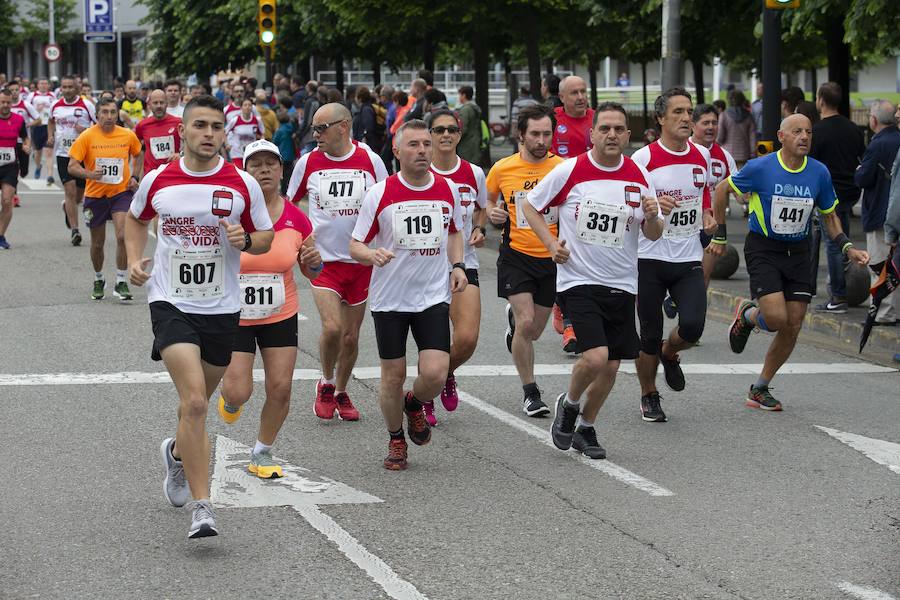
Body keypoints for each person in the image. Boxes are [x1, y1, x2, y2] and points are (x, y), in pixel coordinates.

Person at [126, 95, 274, 539]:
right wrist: (135, 258)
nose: (209, 134)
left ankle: (175, 452)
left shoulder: (241, 183)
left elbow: (265, 236)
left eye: (216, 127)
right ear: (183, 131)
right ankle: (203, 506)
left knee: (198, 403)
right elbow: (136, 219)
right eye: (200, 126)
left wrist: (246, 239)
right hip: (170, 301)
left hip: (222, 305)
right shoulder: (159, 179)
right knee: (193, 402)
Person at [525, 102, 664, 459]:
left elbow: (653, 233)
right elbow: (530, 205)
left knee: (613, 366)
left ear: (628, 135)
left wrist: (652, 217)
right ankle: (569, 404)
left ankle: (586, 427)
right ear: (593, 133)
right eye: (605, 128)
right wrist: (550, 242)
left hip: (623, 282)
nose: (612, 135)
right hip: (579, 280)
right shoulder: (571, 170)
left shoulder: (637, 175)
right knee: (597, 357)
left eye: (619, 129)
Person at [712, 114, 868, 410]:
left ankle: (760, 387)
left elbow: (829, 216)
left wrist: (848, 247)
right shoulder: (762, 167)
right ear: (781, 136)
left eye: (808, 132)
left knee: (793, 324)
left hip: (798, 251)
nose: (804, 137)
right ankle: (747, 316)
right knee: (775, 319)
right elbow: (722, 190)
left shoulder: (819, 173)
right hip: (764, 248)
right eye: (797, 131)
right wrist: (720, 235)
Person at [349, 119, 466, 470]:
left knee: (435, 372)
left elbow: (455, 232)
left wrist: (457, 265)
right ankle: (396, 438)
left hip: (431, 296)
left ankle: (414, 403)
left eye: (426, 145)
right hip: (390, 300)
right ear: (397, 151)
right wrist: (372, 255)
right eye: (413, 145)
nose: (422, 151)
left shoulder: (447, 189)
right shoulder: (381, 193)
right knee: (392, 375)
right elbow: (355, 244)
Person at [218, 140, 322, 478]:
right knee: (238, 392)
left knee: (281, 388)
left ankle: (262, 452)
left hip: (280, 312)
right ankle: (231, 400)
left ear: (281, 170)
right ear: (244, 172)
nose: (264, 170)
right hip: (235, 314)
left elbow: (311, 271)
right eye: (256, 165)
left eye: (271, 164)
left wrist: (314, 262)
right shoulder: (232, 214)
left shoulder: (297, 219)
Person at [287, 102, 388, 421]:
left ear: (343, 126)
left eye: (321, 128)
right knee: (332, 328)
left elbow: (388, 202)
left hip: (360, 263)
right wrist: (300, 242)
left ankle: (342, 391)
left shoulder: (370, 160)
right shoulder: (308, 162)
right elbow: (288, 206)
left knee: (350, 336)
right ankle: (326, 382)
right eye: (313, 129)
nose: (315, 135)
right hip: (324, 263)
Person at [631, 88, 717, 423]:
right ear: (661, 118)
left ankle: (671, 352)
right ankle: (649, 394)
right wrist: (650, 208)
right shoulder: (644, 159)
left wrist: (708, 215)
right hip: (650, 257)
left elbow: (705, 191)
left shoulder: (701, 155)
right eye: (678, 112)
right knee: (649, 334)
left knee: (693, 326)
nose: (686, 118)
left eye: (689, 112)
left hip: (688, 255)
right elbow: (630, 205)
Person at [486, 104, 563, 417]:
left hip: (552, 258)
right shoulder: (503, 168)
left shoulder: (563, 168)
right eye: (535, 134)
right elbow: (488, 200)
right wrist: (492, 214)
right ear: (521, 135)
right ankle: (530, 392)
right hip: (516, 255)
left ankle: (515, 326)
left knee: (533, 331)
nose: (542, 140)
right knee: (527, 321)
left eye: (547, 133)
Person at [427, 109, 487, 425]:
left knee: (466, 339)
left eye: (451, 130)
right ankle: (425, 393)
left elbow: (481, 209)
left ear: (460, 134)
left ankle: (446, 372)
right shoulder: (419, 172)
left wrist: (480, 228)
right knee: (430, 344)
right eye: (439, 130)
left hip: (464, 263)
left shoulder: (474, 173)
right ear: (429, 136)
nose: (446, 135)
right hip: (425, 269)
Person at [67, 97, 142, 301]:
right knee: (97, 243)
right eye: (104, 112)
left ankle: (121, 281)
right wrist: (89, 174)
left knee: (121, 235)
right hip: (95, 195)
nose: (109, 117)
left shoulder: (127, 135)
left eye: (112, 112)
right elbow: (71, 166)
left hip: (121, 193)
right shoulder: (87, 136)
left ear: (117, 114)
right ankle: (99, 278)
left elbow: (138, 153)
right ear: (97, 114)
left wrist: (135, 176)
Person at [810, 82, 865, 313]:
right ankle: (843, 288)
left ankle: (839, 296)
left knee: (834, 245)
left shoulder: (818, 130)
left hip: (829, 194)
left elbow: (810, 164)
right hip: (850, 191)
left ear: (821, 100)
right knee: (843, 242)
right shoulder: (853, 128)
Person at [551, 75, 596, 351]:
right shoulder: (552, 121)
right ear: (562, 98)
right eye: (574, 93)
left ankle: (572, 319)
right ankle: (568, 320)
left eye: (583, 91)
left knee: (583, 260)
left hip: (592, 201)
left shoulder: (598, 119)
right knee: (564, 257)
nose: (580, 97)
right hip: (560, 200)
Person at [855, 100, 899, 325]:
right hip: (894, 211)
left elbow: (863, 178)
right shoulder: (898, 139)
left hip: (881, 212)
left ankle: (884, 313)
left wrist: (859, 170)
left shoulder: (878, 143)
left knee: (880, 265)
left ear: (873, 120)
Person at [690, 103, 738, 287]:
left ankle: (693, 314)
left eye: (714, 123)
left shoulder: (725, 156)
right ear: (693, 126)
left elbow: (739, 192)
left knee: (703, 277)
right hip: (683, 226)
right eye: (705, 123)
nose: (711, 127)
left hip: (711, 226)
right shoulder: (682, 151)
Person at [48, 75, 96, 246]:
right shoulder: (55, 105)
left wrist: (85, 129)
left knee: (78, 196)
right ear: (61, 88)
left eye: (70, 87)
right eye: (64, 87)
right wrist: (50, 136)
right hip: (63, 154)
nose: (67, 90)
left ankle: (67, 208)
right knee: (69, 191)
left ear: (76, 88)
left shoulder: (87, 105)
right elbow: (50, 121)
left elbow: (99, 126)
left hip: (83, 155)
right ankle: (75, 230)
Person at [0, 89, 29, 249]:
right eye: (2, 102)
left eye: (8, 102)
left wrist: (26, 145)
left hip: (10, 166)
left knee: (6, 201)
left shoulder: (18, 119)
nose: (5, 105)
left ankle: (1, 236)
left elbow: (25, 137)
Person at [134, 89, 181, 179]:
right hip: (151, 175)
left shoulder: (178, 122)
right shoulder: (142, 125)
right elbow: (136, 148)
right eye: (155, 103)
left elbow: (191, 142)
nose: (159, 106)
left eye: (161, 102)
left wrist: (182, 154)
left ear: (167, 103)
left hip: (173, 173)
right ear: (149, 105)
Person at [28, 78, 56, 184]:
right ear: (37, 85)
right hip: (37, 126)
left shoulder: (52, 96)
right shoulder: (32, 96)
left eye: (45, 83)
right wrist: (36, 110)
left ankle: (49, 176)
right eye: (41, 83)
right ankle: (38, 166)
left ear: (48, 85)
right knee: (38, 153)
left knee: (49, 152)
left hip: (48, 126)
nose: (43, 85)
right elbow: (28, 109)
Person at [717, 91, 755, 167]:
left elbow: (720, 137)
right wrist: (753, 154)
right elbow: (752, 138)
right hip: (744, 154)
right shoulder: (749, 116)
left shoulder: (724, 115)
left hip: (727, 154)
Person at [225, 99, 263, 169]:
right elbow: (224, 132)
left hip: (251, 152)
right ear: (241, 108)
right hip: (237, 152)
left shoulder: (257, 120)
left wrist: (261, 144)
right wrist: (227, 144)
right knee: (240, 174)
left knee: (250, 175)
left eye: (249, 105)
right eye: (245, 105)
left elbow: (262, 134)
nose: (247, 107)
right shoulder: (235, 120)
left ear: (252, 107)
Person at [456, 85, 482, 166]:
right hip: (475, 142)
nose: (459, 97)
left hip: (466, 145)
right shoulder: (474, 108)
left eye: (459, 95)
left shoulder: (465, 110)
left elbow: (462, 128)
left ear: (463, 95)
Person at [352, 86, 383, 153]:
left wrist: (364, 137)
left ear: (359, 98)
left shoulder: (366, 109)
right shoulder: (367, 108)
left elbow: (369, 127)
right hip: (369, 143)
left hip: (368, 144)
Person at [272, 110, 296, 194]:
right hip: (291, 155)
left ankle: (283, 191)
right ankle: (289, 190)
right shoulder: (291, 129)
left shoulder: (279, 131)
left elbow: (274, 142)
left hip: (282, 155)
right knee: (289, 174)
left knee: (283, 175)